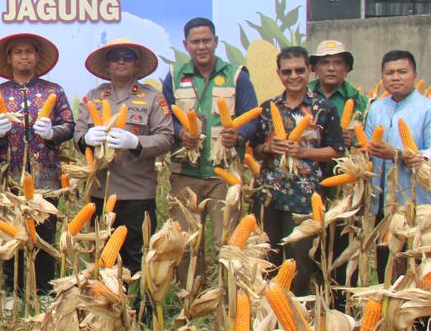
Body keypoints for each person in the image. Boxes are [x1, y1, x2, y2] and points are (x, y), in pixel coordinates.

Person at [0, 33, 72, 302]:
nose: (24, 56)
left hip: (46, 177)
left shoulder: (54, 91)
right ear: (9, 58)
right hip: (6, 179)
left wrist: (53, 133)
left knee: (44, 234)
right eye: (18, 52)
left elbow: (69, 127)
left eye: (29, 51)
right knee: (10, 234)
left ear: (38, 57)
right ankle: (11, 293)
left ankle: (44, 291)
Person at [162, 17, 259, 273]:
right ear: (186, 45)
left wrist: (237, 135)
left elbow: (253, 117)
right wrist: (180, 132)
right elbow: (164, 117)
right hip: (185, 175)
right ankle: (189, 301)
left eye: (206, 40)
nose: (201, 46)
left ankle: (228, 306)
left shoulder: (236, 76)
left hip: (223, 175)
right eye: (196, 42)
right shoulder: (174, 77)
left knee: (226, 243)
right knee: (185, 244)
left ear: (216, 41)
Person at [73, 38, 175, 275]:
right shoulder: (93, 97)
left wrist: (137, 142)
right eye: (115, 57)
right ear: (107, 65)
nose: (121, 61)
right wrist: (86, 138)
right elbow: (78, 133)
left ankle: (140, 308)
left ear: (137, 65)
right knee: (103, 255)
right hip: (100, 192)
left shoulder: (153, 98)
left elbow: (166, 137)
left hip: (137, 192)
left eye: (127, 57)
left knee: (137, 254)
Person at [250, 46, 344, 295]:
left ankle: (296, 312)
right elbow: (256, 150)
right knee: (267, 258)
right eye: (287, 71)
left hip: (305, 199)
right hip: (269, 196)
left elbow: (337, 150)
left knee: (299, 263)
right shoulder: (268, 107)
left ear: (309, 71)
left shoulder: (324, 108)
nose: (294, 76)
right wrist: (269, 146)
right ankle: (268, 310)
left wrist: (303, 152)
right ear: (278, 74)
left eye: (299, 70)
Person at [365, 49, 431, 281]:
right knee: (386, 265)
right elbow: (367, 147)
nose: (396, 78)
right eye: (390, 73)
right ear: (382, 77)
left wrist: (396, 154)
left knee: (414, 267)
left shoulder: (429, 109)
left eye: (402, 72)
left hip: (414, 203)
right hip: (382, 203)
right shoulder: (376, 108)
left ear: (415, 74)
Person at [309, 39, 368, 149]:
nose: (331, 68)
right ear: (315, 68)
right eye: (325, 63)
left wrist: (353, 141)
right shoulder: (302, 96)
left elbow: (370, 142)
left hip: (347, 164)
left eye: (337, 63)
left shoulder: (362, 102)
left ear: (346, 68)